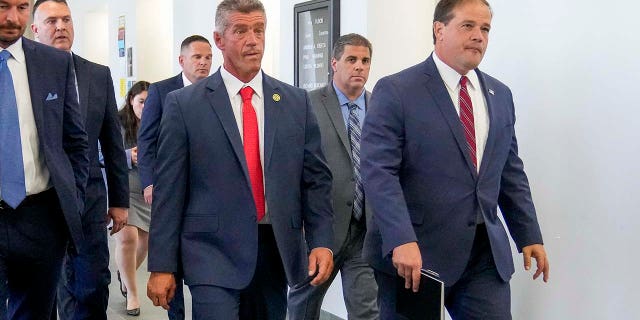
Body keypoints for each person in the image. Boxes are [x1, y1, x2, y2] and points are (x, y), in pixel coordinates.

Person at [360, 0, 550, 319]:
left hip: (483, 254)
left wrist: (528, 234)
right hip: (415, 254)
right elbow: (379, 173)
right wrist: (400, 239)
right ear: (439, 30)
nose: (479, 36)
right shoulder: (397, 90)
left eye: (485, 28)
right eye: (468, 26)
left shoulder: (499, 95)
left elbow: (509, 171)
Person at [146, 0, 335, 319]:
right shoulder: (185, 105)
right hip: (210, 252)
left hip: (275, 250)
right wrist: (162, 265)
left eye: (259, 30)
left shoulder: (293, 102)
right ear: (219, 40)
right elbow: (169, 191)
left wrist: (321, 241)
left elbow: (315, 179)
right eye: (241, 30)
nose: (253, 39)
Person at [30, 1, 129, 319]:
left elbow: (113, 142)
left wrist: (120, 201)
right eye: (51, 21)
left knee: (92, 285)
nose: (60, 26)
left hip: (88, 202)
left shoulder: (97, 75)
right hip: (39, 204)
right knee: (43, 289)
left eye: (66, 19)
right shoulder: (20, 77)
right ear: (35, 30)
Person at [0, 0, 89, 319]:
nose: (13, 18)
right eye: (2, 6)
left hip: (42, 217)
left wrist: (73, 199)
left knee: (35, 313)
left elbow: (75, 141)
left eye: (22, 7)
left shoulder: (54, 63)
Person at [287, 33, 378, 320]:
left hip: (366, 229)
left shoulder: (381, 106)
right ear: (334, 63)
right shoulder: (306, 104)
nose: (359, 67)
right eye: (352, 60)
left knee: (366, 310)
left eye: (365, 61)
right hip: (319, 230)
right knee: (304, 306)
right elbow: (291, 169)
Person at [136, 35, 212, 319]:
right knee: (171, 259)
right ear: (182, 60)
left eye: (208, 58)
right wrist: (149, 182)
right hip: (169, 189)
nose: (203, 63)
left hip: (205, 191)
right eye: (197, 57)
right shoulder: (162, 91)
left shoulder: (217, 91)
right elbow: (147, 141)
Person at [115, 81, 151, 316]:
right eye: (141, 102)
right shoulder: (118, 122)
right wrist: (129, 156)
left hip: (147, 190)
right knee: (127, 240)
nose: (145, 107)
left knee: (144, 244)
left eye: (149, 102)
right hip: (123, 187)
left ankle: (124, 274)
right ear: (131, 101)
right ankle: (133, 293)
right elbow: (103, 152)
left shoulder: (157, 122)